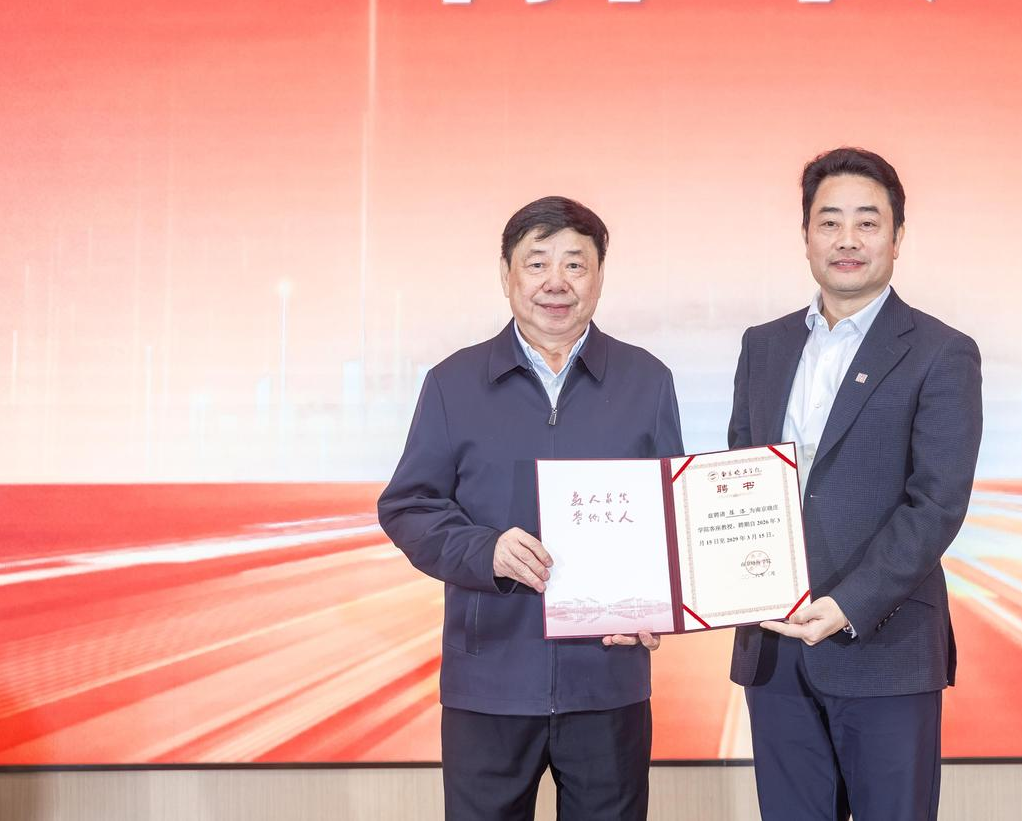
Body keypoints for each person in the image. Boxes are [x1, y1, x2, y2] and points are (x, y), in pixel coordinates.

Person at [379, 196, 682, 821]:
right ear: (506, 274)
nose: (556, 282)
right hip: (488, 679)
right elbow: (408, 506)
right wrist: (484, 550)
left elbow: (671, 517)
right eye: (537, 262)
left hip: (607, 680)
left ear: (600, 275)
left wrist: (660, 607)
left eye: (575, 264)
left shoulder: (647, 381)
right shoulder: (452, 383)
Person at [727, 148, 983, 821]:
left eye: (867, 222)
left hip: (883, 646)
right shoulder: (763, 345)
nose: (847, 239)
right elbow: (737, 479)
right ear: (805, 234)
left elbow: (936, 503)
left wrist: (848, 602)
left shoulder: (941, 352)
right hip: (774, 651)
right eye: (829, 221)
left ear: (897, 238)